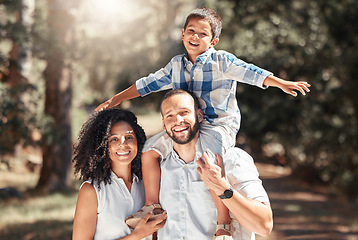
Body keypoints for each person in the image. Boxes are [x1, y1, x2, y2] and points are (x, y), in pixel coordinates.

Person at [95, 7, 309, 239]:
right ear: (183, 34)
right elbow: (148, 84)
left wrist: (280, 83)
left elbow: (251, 72)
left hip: (218, 126)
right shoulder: (176, 65)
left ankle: (223, 224)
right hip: (184, 126)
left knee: (209, 159)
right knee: (148, 151)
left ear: (213, 40)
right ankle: (151, 205)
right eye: (191, 31)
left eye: (202, 34)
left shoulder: (222, 61)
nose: (195, 37)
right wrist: (117, 98)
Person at [156, 89, 273, 239]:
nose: (177, 120)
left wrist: (222, 188)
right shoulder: (160, 166)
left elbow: (264, 225)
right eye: (169, 115)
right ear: (164, 125)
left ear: (199, 116)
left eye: (184, 112)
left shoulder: (232, 159)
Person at [72, 109, 166, 240]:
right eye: (114, 139)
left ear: (138, 141)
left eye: (129, 137)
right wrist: (137, 236)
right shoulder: (92, 190)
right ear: (103, 146)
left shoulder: (148, 185)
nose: (123, 144)